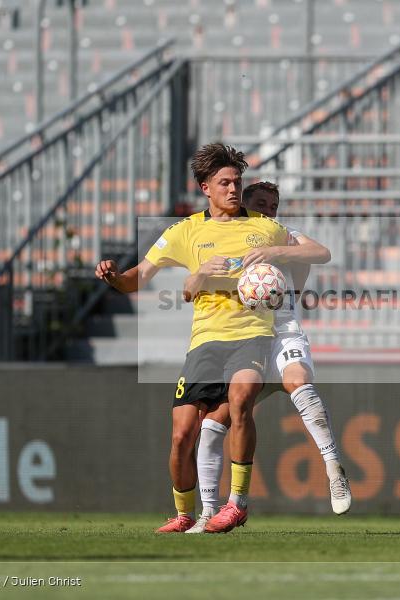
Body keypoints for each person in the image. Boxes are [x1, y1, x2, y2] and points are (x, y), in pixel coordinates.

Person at [95, 143, 322, 534]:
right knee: (182, 433)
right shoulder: (185, 231)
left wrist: (281, 260)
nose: (234, 190)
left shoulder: (265, 227)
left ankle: (237, 503)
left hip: (252, 334)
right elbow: (139, 277)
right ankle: (184, 513)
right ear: (205, 187)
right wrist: (115, 277)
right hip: (205, 340)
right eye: (225, 183)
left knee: (241, 401)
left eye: (237, 182)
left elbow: (316, 252)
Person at [183, 182, 351, 533]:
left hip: (284, 333)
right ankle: (208, 512)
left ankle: (334, 468)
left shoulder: (279, 234)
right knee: (212, 426)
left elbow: (321, 253)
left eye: (274, 205)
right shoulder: (225, 240)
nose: (269, 210)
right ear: (243, 205)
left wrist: (277, 252)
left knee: (298, 381)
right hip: (246, 340)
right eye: (261, 203)